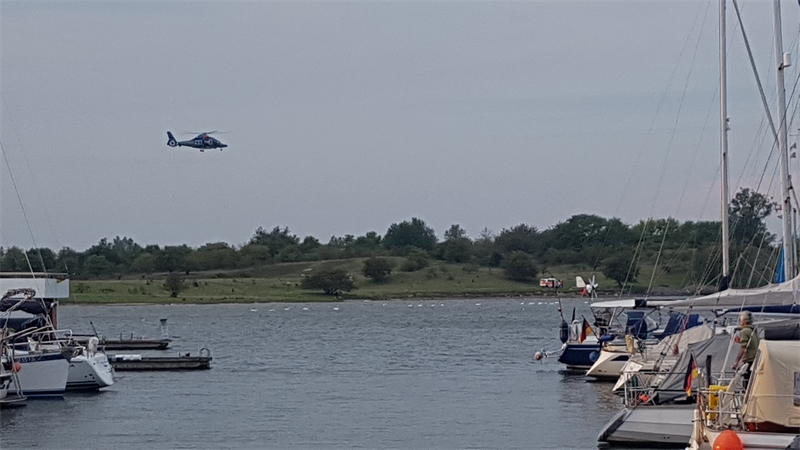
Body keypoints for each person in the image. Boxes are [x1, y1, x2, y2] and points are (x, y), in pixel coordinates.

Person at [732, 311, 759, 388]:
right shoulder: (753, 331)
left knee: (746, 382)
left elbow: (743, 348)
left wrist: (736, 362)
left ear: (744, 321)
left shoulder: (744, 331)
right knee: (752, 381)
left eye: (741, 320)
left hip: (749, 360)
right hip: (755, 360)